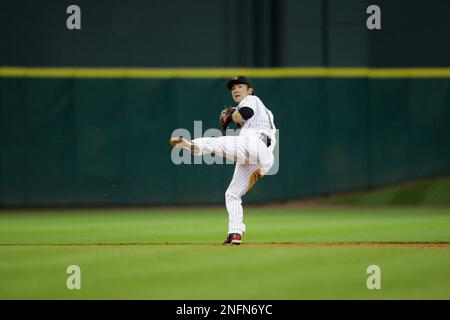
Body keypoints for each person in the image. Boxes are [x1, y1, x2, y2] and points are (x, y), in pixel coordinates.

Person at [170, 76, 277, 245]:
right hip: (261, 155)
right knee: (232, 194)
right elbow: (246, 117)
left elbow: (245, 113)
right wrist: (234, 116)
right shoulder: (264, 110)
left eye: (240, 86)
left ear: (250, 90)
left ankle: (191, 145)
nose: (235, 89)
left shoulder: (252, 99)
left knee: (217, 142)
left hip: (256, 143)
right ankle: (235, 233)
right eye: (233, 88)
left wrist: (229, 117)